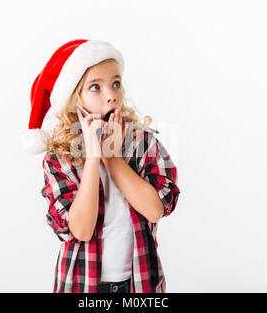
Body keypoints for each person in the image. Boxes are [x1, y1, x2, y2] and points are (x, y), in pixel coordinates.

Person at [20, 39, 180, 293]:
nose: (111, 96)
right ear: (75, 99)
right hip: (84, 286)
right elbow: (81, 230)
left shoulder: (142, 143)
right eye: (95, 87)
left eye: (116, 83)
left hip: (139, 283)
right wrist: (93, 157)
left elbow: (155, 211)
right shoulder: (59, 159)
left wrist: (112, 157)